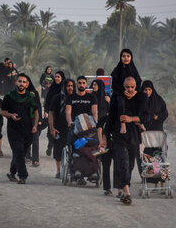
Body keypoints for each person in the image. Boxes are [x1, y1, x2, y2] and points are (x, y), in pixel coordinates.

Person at [102, 76, 148, 205]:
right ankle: (127, 191)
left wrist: (131, 119)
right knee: (123, 162)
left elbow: (145, 117)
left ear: (136, 87)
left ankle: (122, 187)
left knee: (130, 165)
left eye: (132, 87)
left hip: (134, 135)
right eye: (127, 87)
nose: (129, 90)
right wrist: (105, 137)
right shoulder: (117, 98)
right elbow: (110, 119)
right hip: (119, 135)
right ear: (123, 87)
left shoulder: (141, 98)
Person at [1, 73, 39, 184]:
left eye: (24, 82)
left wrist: (35, 125)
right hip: (13, 130)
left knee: (20, 153)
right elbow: (2, 111)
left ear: (27, 84)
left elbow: (36, 112)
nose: (21, 83)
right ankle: (23, 176)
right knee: (18, 151)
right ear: (16, 82)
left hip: (28, 130)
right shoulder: (9, 96)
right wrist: (11, 115)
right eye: (20, 81)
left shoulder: (30, 97)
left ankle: (12, 173)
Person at [66, 76, 98, 183]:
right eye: (79, 83)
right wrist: (69, 121)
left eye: (83, 83)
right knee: (76, 146)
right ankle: (76, 170)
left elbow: (94, 112)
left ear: (86, 84)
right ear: (77, 84)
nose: (81, 85)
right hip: (75, 127)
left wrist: (96, 123)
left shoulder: (91, 97)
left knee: (92, 146)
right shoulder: (71, 97)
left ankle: (93, 171)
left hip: (89, 128)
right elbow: (68, 112)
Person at [139, 80, 169, 190]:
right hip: (145, 132)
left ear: (153, 90)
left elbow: (165, 113)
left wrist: (157, 117)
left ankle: (160, 180)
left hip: (157, 133)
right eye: (145, 90)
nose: (147, 92)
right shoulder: (140, 100)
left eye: (149, 90)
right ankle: (149, 179)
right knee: (146, 157)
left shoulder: (159, 100)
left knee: (158, 157)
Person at [111, 49, 142, 134]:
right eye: (124, 56)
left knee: (143, 98)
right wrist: (123, 92)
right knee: (120, 101)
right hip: (121, 93)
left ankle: (139, 121)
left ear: (131, 57)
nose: (126, 58)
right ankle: (123, 124)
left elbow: (139, 82)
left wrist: (135, 92)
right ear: (121, 57)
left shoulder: (134, 69)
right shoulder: (117, 70)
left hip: (133, 93)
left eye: (128, 56)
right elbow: (114, 84)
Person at [49, 79, 75, 178]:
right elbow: (51, 113)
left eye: (72, 86)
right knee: (58, 150)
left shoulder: (75, 99)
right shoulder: (57, 98)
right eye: (68, 86)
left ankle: (71, 171)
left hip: (72, 128)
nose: (70, 88)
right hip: (59, 127)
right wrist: (52, 128)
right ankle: (59, 171)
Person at [44, 71, 66, 156]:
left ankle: (58, 149)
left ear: (62, 78)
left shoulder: (64, 88)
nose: (56, 78)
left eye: (58, 77)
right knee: (51, 130)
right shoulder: (52, 88)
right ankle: (50, 146)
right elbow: (47, 100)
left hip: (61, 113)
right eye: (56, 77)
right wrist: (46, 110)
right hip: (52, 112)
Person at [25, 75, 43, 167]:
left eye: (26, 82)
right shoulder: (20, 93)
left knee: (35, 140)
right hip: (24, 120)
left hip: (34, 119)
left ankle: (35, 159)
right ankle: (27, 156)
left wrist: (39, 120)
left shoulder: (34, 93)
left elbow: (38, 106)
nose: (24, 84)